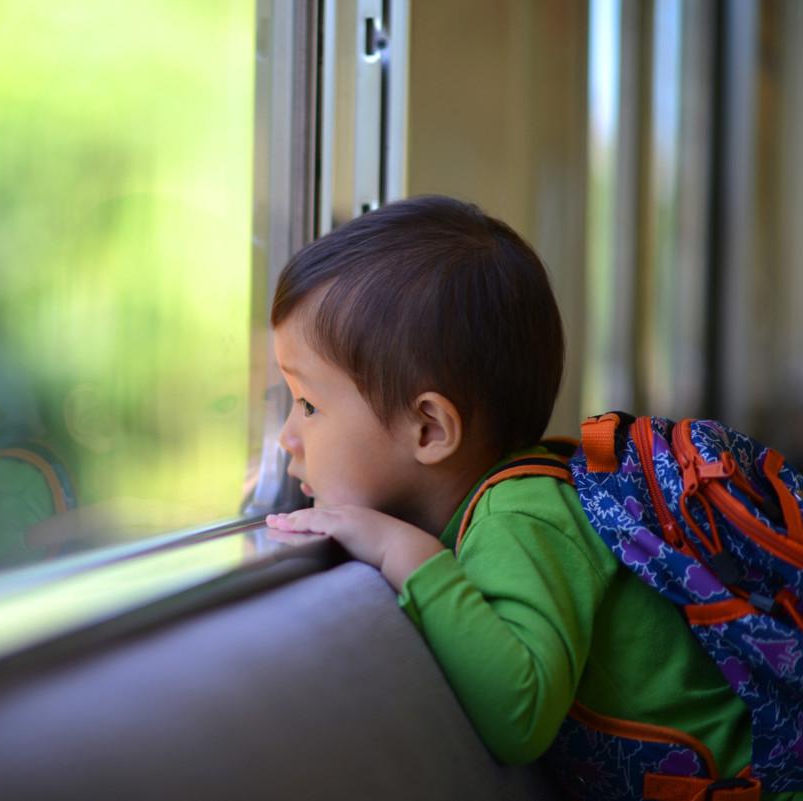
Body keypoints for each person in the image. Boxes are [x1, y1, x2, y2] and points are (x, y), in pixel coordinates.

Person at [263, 195, 787, 799]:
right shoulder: (513, 498)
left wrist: (402, 553)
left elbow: (519, 719)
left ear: (429, 429)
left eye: (309, 404)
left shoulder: (523, 516)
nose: (287, 437)